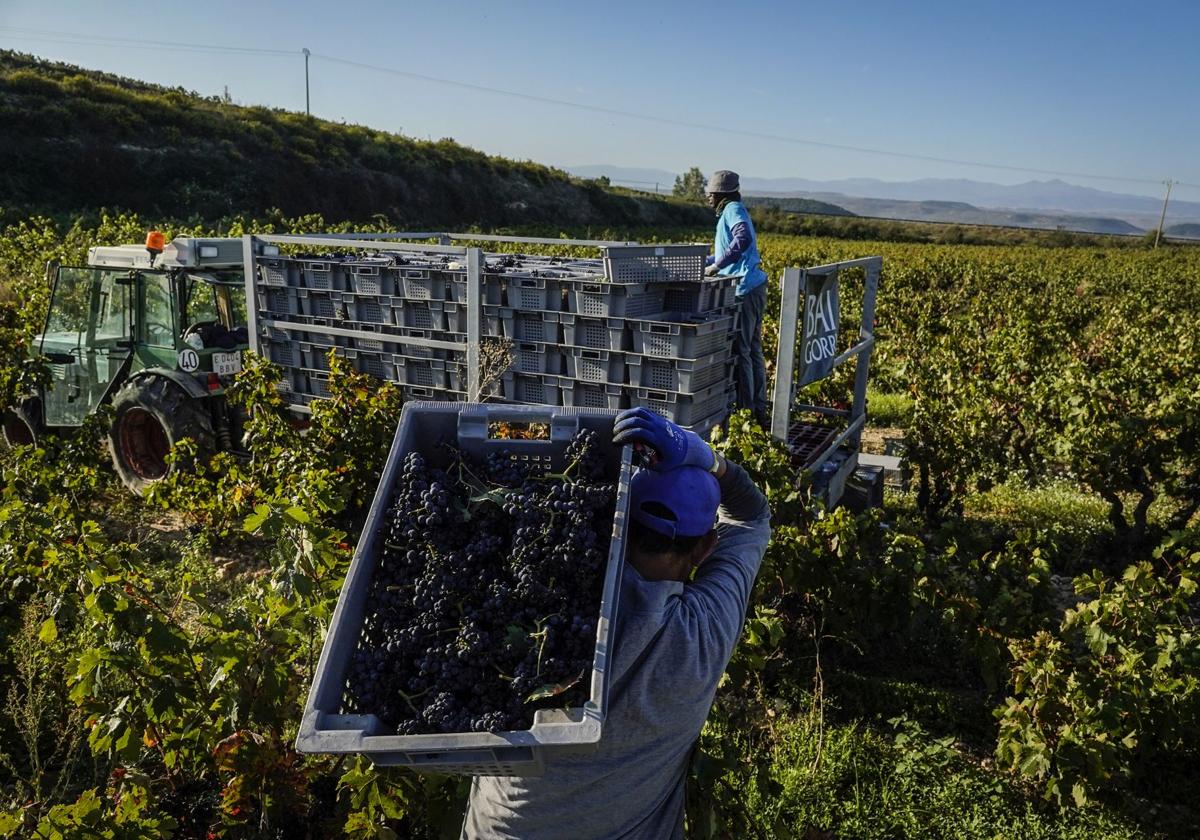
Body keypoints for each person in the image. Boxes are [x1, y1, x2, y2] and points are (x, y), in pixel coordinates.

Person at [462, 407, 771, 839]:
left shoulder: (548, 595)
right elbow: (752, 515)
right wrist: (708, 459)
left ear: (616, 519)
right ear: (705, 548)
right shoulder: (705, 632)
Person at [703, 170, 770, 428]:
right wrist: (705, 261)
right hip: (752, 287)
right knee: (752, 350)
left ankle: (749, 412)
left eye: (710, 193)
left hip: (744, 289)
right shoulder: (730, 210)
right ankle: (759, 408)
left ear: (720, 193)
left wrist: (717, 265)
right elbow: (728, 249)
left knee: (743, 351)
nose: (708, 197)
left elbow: (742, 239)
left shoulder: (732, 209)